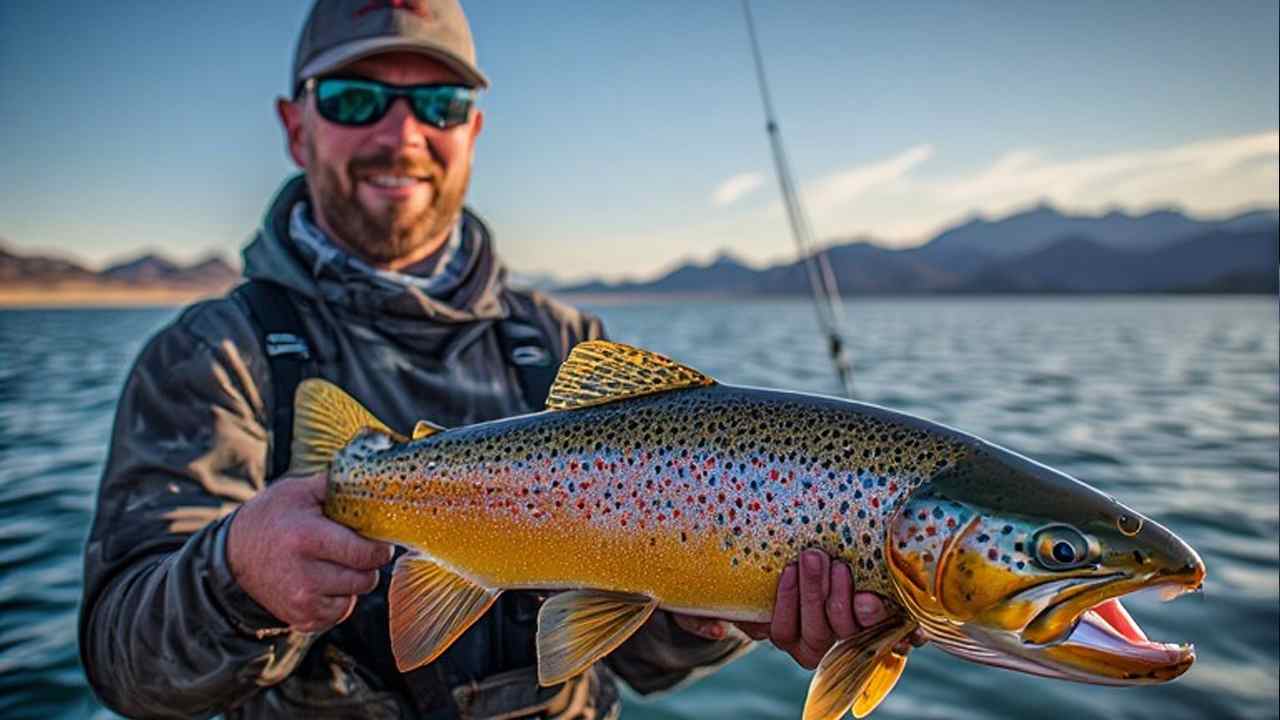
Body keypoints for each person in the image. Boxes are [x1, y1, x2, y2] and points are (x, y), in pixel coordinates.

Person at [78, 1, 906, 717]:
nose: (401, 134)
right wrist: (234, 577)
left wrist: (709, 614)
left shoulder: (564, 343)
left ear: (472, 132)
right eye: (356, 98)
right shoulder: (212, 358)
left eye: (438, 104)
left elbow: (639, 662)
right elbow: (126, 669)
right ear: (297, 128)